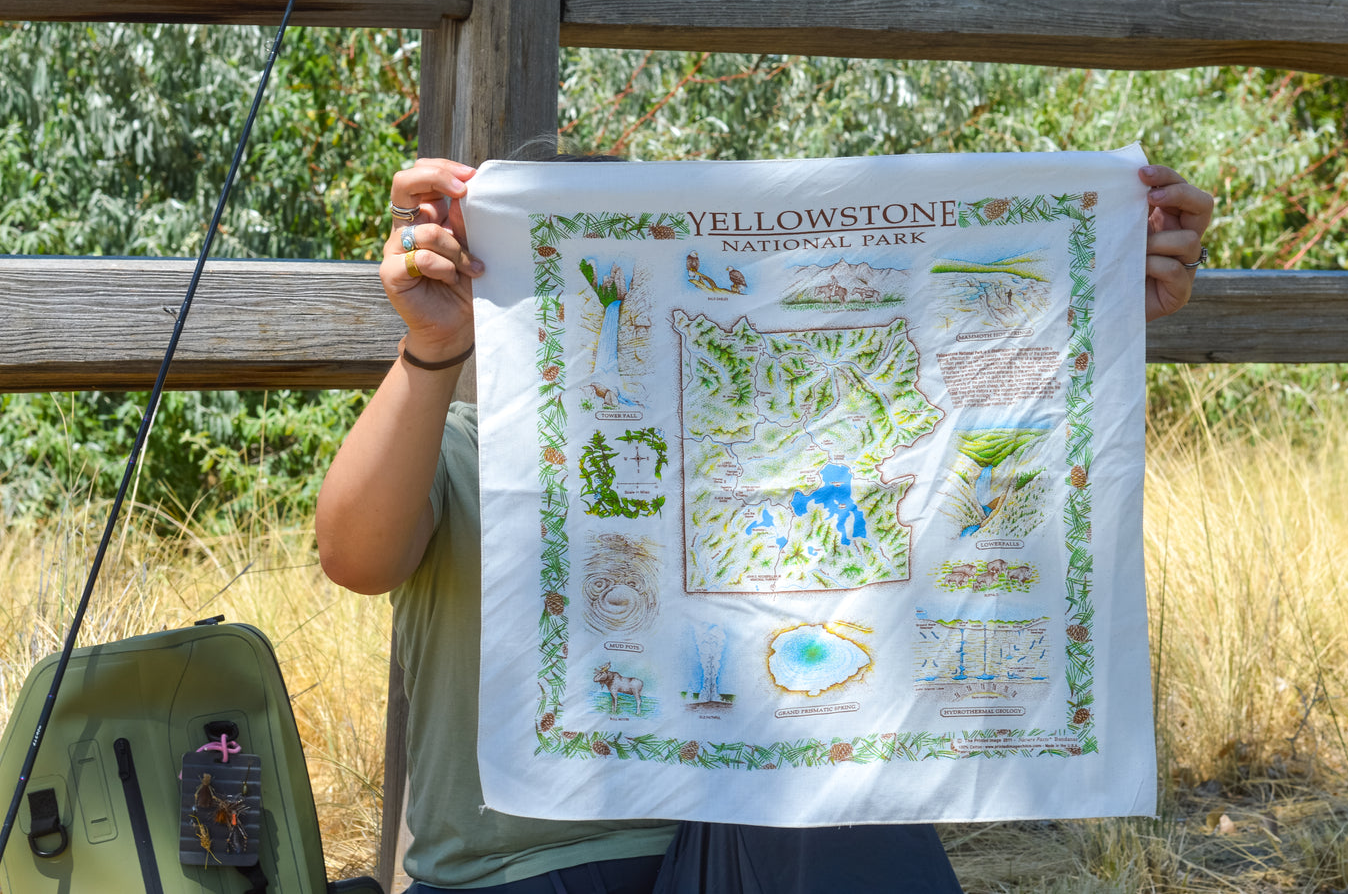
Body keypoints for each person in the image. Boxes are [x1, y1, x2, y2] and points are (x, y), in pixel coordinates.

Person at [315, 156, 1215, 894]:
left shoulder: (770, 444)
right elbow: (353, 555)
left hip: (736, 843)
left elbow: (960, 459)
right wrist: (431, 349)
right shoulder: (466, 447)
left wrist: (1094, 292)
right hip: (511, 872)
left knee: (837, 798)